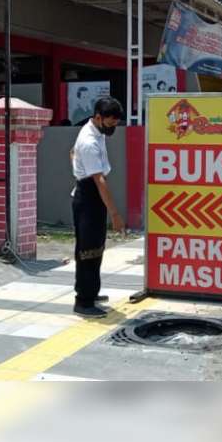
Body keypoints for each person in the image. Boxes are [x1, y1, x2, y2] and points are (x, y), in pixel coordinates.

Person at [70, 97, 125, 318]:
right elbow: (99, 181)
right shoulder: (89, 141)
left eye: (115, 125)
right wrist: (115, 214)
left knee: (95, 247)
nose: (112, 129)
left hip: (90, 192)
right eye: (110, 124)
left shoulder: (96, 131)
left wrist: (77, 168)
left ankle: (90, 292)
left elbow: (71, 153)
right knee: (88, 250)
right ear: (99, 117)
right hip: (89, 195)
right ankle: (83, 301)